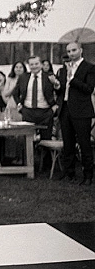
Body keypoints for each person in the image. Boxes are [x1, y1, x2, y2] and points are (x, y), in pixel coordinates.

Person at [54, 42, 95, 185]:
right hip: (65, 109)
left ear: (81, 50)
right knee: (68, 143)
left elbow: (89, 89)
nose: (71, 53)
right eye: (69, 51)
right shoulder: (64, 68)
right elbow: (62, 90)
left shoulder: (89, 67)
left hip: (82, 110)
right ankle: (69, 172)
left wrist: (72, 79)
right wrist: (58, 86)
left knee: (84, 144)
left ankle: (88, 175)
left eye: (74, 50)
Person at [12, 56, 57, 142]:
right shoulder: (23, 77)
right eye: (31, 64)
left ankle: (45, 155)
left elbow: (59, 91)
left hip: (45, 112)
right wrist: (19, 104)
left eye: (36, 64)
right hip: (28, 112)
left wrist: (55, 107)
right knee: (28, 140)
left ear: (41, 65)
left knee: (46, 140)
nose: (34, 66)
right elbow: (15, 93)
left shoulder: (48, 77)